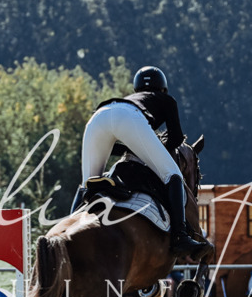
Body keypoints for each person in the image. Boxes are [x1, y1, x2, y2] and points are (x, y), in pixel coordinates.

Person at [72, 66, 206, 256]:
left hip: (98, 116)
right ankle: (180, 236)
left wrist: (139, 147)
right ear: (163, 89)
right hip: (129, 117)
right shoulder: (166, 99)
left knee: (86, 185)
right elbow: (176, 139)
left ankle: (67, 228)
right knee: (173, 174)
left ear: (136, 89)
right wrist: (154, 148)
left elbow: (118, 147)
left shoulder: (129, 99)